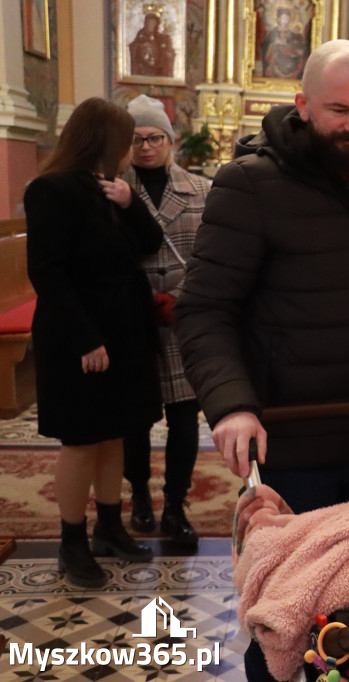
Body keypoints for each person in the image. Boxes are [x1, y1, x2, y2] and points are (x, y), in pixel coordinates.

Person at [175, 39, 349, 515]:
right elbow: (203, 310)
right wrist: (231, 404)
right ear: (303, 105)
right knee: (287, 581)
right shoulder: (248, 185)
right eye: (339, 110)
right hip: (281, 435)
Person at [24, 97, 163, 587]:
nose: (132, 151)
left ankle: (109, 527)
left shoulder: (110, 189)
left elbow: (149, 245)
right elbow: (46, 271)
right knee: (82, 441)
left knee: (116, 433)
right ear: (106, 142)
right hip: (78, 338)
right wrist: (85, 338)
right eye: (126, 141)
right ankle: (72, 542)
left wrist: (131, 203)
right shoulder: (51, 189)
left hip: (123, 335)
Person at [121, 94, 210, 551]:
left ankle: (175, 503)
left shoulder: (201, 189)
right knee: (134, 418)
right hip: (131, 318)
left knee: (183, 417)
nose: (147, 147)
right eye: (136, 139)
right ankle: (138, 492)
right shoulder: (114, 187)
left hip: (180, 319)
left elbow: (210, 256)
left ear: (170, 139)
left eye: (155, 137)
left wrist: (180, 297)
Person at [260, 7, 308, 80]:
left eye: (287, 19)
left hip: (291, 65)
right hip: (275, 63)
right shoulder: (273, 33)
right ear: (279, 19)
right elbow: (265, 49)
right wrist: (274, 45)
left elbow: (299, 50)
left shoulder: (293, 34)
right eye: (283, 18)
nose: (285, 21)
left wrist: (286, 46)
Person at [129, 12, 175, 78]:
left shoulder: (161, 38)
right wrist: (142, 46)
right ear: (145, 24)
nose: (151, 25)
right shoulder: (140, 36)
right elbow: (133, 47)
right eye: (149, 23)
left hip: (158, 69)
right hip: (143, 69)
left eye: (153, 23)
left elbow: (167, 50)